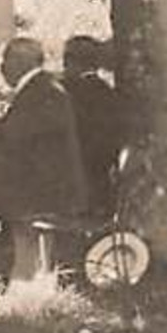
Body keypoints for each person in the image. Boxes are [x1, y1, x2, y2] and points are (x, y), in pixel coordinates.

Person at [0, 38, 88, 283]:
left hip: (45, 189)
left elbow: (15, 136)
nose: (1, 68)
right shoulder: (42, 87)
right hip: (47, 183)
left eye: (5, 61)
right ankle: (16, 271)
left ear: (18, 62)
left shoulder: (42, 92)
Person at [62, 35, 126, 215]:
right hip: (100, 181)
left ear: (69, 61)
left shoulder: (63, 93)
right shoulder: (108, 94)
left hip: (67, 183)